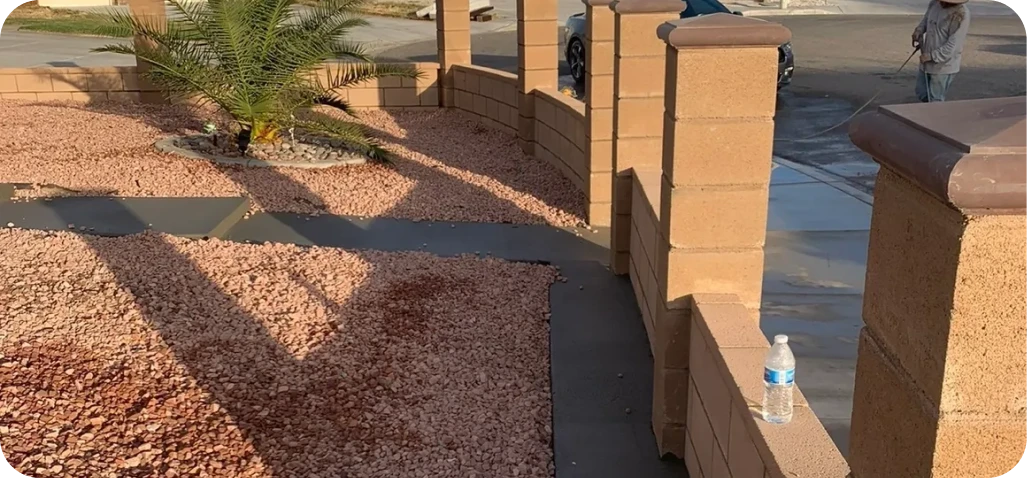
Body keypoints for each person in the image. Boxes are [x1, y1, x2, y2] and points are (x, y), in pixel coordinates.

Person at [911, 0, 971, 102]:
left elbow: (953, 45)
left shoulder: (961, 13)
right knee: (921, 92)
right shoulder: (934, 3)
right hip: (926, 60)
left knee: (935, 98)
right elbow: (926, 19)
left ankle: (933, 115)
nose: (942, 3)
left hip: (944, 65)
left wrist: (932, 56)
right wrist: (919, 30)